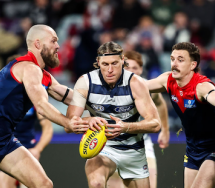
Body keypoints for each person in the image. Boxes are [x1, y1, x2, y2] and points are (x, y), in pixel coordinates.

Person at [0, 24, 88, 188]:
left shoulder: (42, 75)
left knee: (44, 185)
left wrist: (102, 105)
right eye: (53, 41)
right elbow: (41, 105)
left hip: (4, 141)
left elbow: (68, 96)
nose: (58, 46)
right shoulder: (29, 69)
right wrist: (67, 123)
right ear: (38, 44)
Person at [66, 41, 161, 188]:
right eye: (105, 64)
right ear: (98, 62)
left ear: (123, 61)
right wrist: (87, 120)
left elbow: (155, 123)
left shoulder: (135, 83)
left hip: (133, 151)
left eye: (115, 63)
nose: (110, 69)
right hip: (103, 147)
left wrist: (125, 127)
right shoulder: (85, 82)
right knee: (96, 183)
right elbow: (69, 123)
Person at [146, 42, 215, 188]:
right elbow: (140, 88)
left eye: (180, 60)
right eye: (172, 59)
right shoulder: (167, 80)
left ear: (192, 65)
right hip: (193, 148)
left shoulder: (201, 86)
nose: (174, 64)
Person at [107, 50, 169, 188]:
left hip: (142, 143)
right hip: (113, 144)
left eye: (135, 68)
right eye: (127, 67)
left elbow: (160, 103)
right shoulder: (108, 87)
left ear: (141, 69)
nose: (131, 71)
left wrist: (165, 130)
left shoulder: (146, 88)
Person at [0, 108, 53, 188]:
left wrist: (37, 149)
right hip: (5, 149)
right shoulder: (0, 97)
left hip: (27, 150)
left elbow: (48, 128)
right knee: (3, 184)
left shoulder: (35, 100)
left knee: (44, 184)